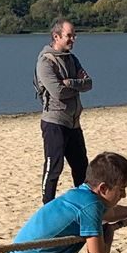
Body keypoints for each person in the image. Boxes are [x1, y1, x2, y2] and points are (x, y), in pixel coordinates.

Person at [36, 19, 94, 204]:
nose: (73, 39)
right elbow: (58, 92)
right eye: (69, 35)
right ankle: (47, 207)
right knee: (54, 167)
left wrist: (70, 83)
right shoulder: (45, 62)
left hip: (73, 122)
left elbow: (89, 83)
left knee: (82, 168)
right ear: (56, 36)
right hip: (55, 122)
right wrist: (74, 85)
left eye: (74, 35)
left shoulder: (72, 59)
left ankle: (84, 205)